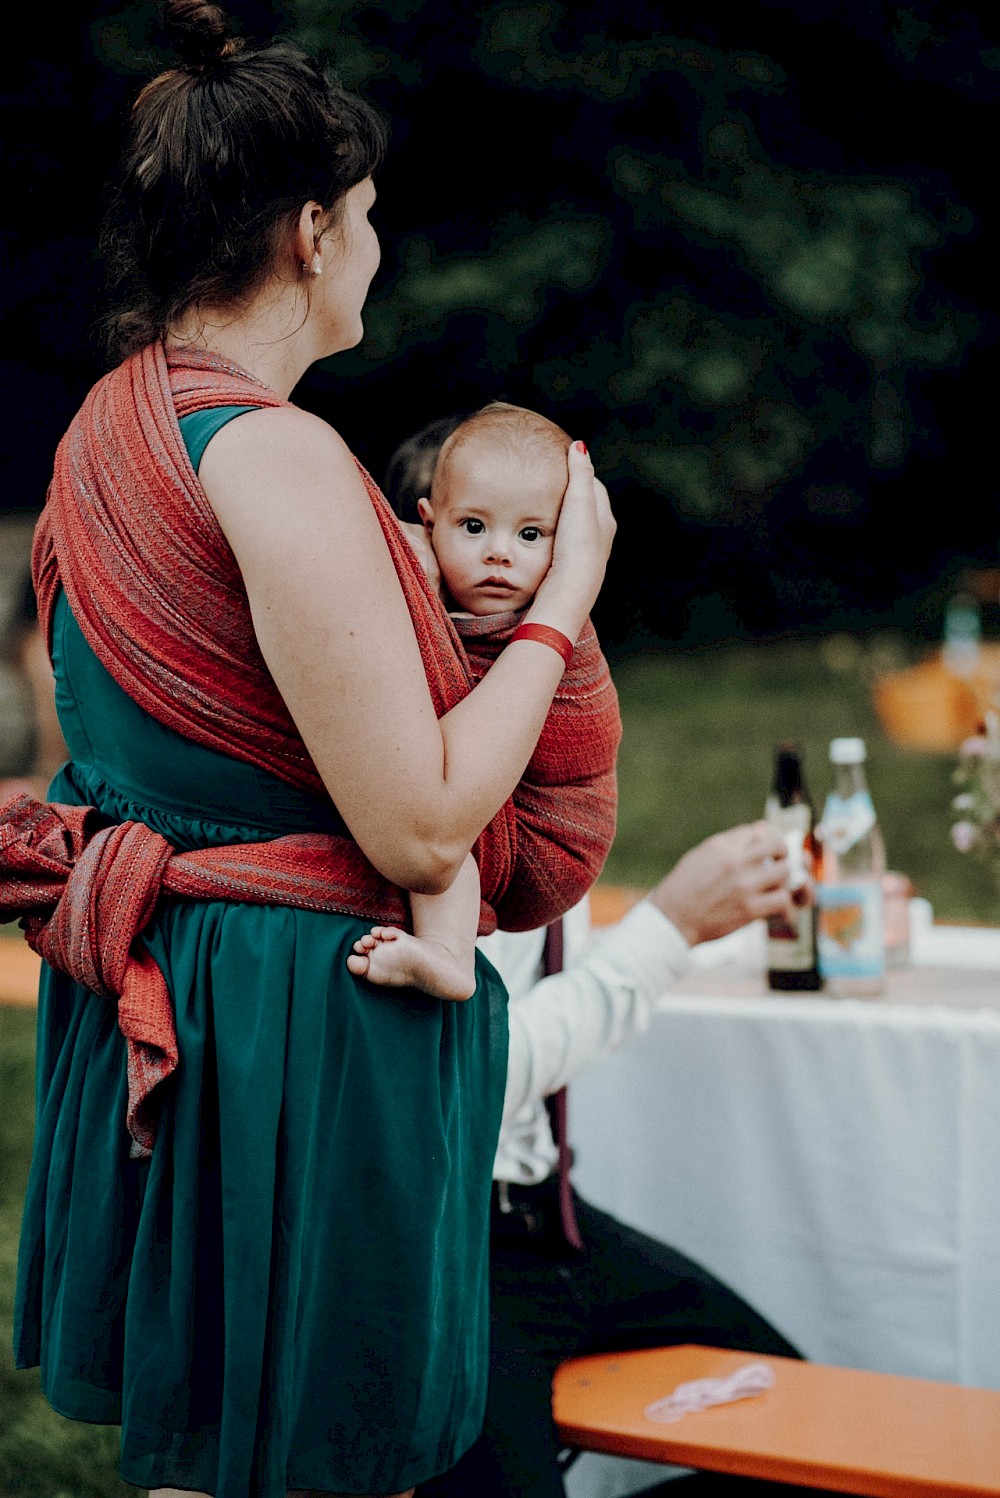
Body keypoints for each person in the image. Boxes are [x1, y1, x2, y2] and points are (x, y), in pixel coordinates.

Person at [0, 6, 619, 1498]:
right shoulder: (275, 451)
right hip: (299, 1016)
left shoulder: (111, 420)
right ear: (308, 232)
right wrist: (564, 609)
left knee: (217, 1452)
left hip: (196, 976)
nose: (380, 245)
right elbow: (418, 828)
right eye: (371, 215)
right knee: (324, 1458)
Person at [383, 422, 831, 1498]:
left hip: (553, 1224)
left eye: (538, 541)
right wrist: (671, 925)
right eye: (476, 533)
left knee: (799, 1421)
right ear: (418, 551)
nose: (507, 568)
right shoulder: (401, 760)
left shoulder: (551, 741)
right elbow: (479, 1068)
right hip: (442, 1247)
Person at [349, 402, 603, 1005]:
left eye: (530, 534)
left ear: (567, 546)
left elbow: (574, 733)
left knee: (440, 803)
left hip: (552, 830)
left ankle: (448, 953)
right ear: (428, 525)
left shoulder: (554, 626)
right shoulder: (439, 610)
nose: (499, 553)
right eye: (473, 528)